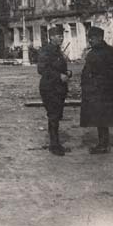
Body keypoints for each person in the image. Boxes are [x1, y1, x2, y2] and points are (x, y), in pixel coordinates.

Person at [80, 26, 113, 154]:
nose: (90, 41)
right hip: (101, 90)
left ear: (99, 38)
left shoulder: (103, 52)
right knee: (101, 117)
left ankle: (103, 145)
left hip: (102, 90)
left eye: (92, 38)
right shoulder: (107, 51)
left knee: (101, 117)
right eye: (89, 38)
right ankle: (103, 143)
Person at [37, 24, 71, 155]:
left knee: (57, 115)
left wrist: (67, 72)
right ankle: (54, 145)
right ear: (51, 37)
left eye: (62, 36)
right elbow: (41, 69)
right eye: (58, 36)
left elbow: (58, 67)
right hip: (49, 88)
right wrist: (59, 76)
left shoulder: (57, 50)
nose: (61, 38)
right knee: (53, 116)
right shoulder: (46, 50)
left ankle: (56, 143)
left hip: (59, 88)